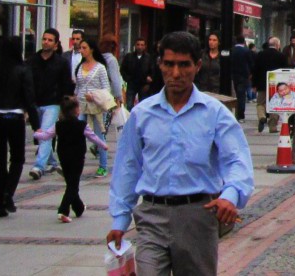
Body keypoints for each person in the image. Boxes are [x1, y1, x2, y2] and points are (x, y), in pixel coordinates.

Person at [107, 31, 254, 275]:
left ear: (197, 66)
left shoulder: (214, 113)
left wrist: (231, 194)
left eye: (184, 65)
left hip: (197, 215)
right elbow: (128, 167)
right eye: (169, 64)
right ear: (160, 65)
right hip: (152, 215)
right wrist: (120, 219)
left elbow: (236, 159)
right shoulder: (142, 114)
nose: (176, 73)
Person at [0, 36, 39, 217]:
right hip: (15, 117)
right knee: (17, 158)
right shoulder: (23, 70)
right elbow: (30, 99)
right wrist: (36, 125)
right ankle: (8, 192)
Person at [34, 96, 106, 223]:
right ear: (76, 110)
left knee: (71, 182)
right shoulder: (82, 125)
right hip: (77, 157)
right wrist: (103, 145)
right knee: (73, 184)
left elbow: (46, 136)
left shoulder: (58, 125)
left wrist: (36, 133)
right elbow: (93, 137)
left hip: (63, 156)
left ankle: (78, 208)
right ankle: (63, 210)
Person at [28, 29, 73, 180]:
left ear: (56, 44)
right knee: (41, 134)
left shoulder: (61, 62)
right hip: (35, 103)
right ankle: (52, 162)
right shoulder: (32, 60)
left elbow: (66, 85)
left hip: (53, 103)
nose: (46, 42)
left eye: (49, 40)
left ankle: (38, 167)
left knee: (45, 135)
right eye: (44, 39)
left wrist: (65, 105)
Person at [74, 37, 113, 177]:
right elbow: (77, 87)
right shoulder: (80, 66)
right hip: (81, 104)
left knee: (99, 135)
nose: (82, 51)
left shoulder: (100, 68)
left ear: (92, 49)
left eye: (84, 48)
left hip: (96, 106)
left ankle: (103, 166)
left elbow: (106, 88)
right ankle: (75, 164)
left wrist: (95, 96)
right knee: (77, 134)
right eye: (80, 48)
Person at [253, 37, 289, 133]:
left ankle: (262, 117)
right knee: (275, 104)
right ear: (277, 45)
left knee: (260, 103)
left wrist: (254, 84)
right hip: (276, 85)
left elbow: (255, 69)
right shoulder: (281, 56)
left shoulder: (260, 54)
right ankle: (272, 127)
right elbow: (285, 70)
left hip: (262, 84)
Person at [120, 38, 154, 110]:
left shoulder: (148, 58)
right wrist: (127, 78)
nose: (140, 47)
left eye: (142, 45)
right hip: (131, 84)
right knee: (129, 105)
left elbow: (153, 71)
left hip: (143, 85)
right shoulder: (129, 56)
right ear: (135, 45)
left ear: (145, 46)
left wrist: (149, 80)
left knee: (143, 106)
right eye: (138, 45)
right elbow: (123, 69)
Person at [230, 36, 254, 122]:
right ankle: (240, 115)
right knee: (241, 96)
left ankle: (235, 113)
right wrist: (250, 73)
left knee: (235, 94)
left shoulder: (232, 51)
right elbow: (251, 63)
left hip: (234, 75)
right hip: (244, 76)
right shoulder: (246, 51)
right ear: (243, 42)